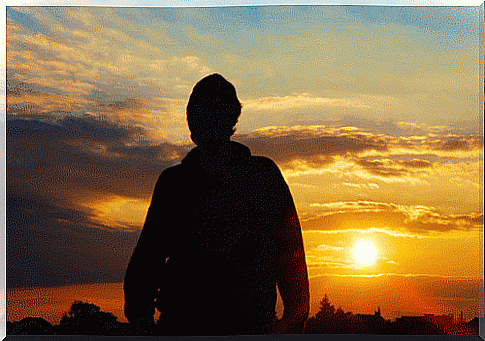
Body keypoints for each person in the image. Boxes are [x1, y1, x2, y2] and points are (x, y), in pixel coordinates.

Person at [124, 73, 309, 336]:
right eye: (201, 112)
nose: (209, 120)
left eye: (217, 111)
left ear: (232, 118)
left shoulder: (264, 177)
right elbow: (146, 261)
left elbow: (291, 261)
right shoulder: (173, 183)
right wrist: (142, 320)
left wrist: (291, 321)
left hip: (253, 326)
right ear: (191, 122)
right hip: (182, 326)